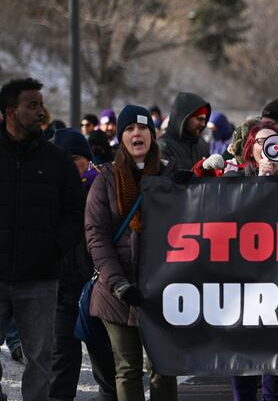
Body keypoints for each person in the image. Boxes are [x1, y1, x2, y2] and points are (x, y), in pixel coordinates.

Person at [85, 105, 177, 401]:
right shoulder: (106, 180)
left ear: (152, 134)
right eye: (129, 129)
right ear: (121, 138)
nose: (137, 133)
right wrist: (118, 283)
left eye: (143, 128)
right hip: (116, 293)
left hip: (162, 291)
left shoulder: (169, 176)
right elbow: (97, 237)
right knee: (127, 369)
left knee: (165, 367)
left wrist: (193, 192)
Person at [0, 77, 84, 400]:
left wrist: (53, 249)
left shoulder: (57, 161)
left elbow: (75, 214)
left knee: (41, 359)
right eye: (31, 105)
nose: (40, 111)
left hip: (40, 280)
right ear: (10, 111)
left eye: (41, 104)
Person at [224, 122, 278, 401]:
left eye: (274, 142)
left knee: (276, 369)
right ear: (250, 150)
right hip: (243, 287)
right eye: (261, 142)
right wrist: (259, 186)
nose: (268, 148)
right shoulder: (233, 182)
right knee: (243, 365)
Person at [51, 128, 117, 401]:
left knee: (106, 366)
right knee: (62, 365)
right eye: (64, 159)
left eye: (77, 158)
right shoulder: (50, 194)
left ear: (87, 160)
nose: (71, 165)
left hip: (97, 291)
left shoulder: (103, 189)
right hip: (61, 292)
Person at [157, 91, 211, 170]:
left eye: (205, 120)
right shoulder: (163, 146)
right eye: (199, 119)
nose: (203, 124)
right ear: (185, 118)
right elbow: (168, 179)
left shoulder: (202, 145)